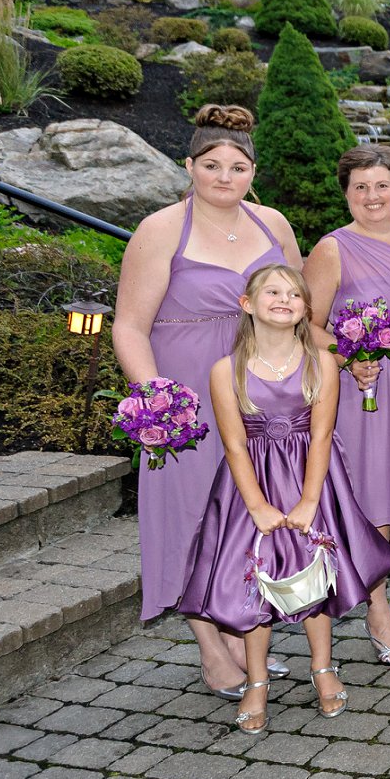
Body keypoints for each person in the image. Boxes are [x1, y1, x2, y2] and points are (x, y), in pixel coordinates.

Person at [112, 105, 302, 698]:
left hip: (259, 386)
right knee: (191, 513)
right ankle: (211, 648)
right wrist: (155, 397)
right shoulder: (161, 228)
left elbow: (296, 306)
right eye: (212, 165)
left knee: (253, 512)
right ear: (189, 166)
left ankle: (249, 631)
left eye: (238, 167)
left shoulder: (274, 224)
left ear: (253, 171)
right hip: (187, 392)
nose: (225, 177)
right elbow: (128, 326)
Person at [177, 265, 390, 735]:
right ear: (247, 304)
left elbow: (322, 437)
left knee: (313, 575)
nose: (284, 299)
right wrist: (256, 505)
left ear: (305, 307)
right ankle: (256, 681)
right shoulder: (226, 370)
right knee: (254, 580)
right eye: (272, 292)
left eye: (294, 293)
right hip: (250, 486)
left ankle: (323, 668)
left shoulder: (321, 363)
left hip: (310, 480)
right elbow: (234, 445)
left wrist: (308, 501)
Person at [303, 145, 390, 667]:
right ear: (346, 194)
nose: (372, 196)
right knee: (375, 498)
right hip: (368, 391)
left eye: (381, 185)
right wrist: (347, 357)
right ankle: (377, 609)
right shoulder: (332, 249)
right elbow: (307, 325)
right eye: (359, 187)